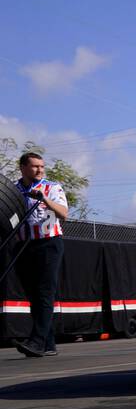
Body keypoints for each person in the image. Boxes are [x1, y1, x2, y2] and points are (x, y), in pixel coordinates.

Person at [12, 151, 67, 358]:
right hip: (23, 245)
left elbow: (63, 213)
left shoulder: (52, 187)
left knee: (45, 292)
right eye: (35, 166)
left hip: (48, 243)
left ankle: (36, 341)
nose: (39, 170)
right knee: (33, 295)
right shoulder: (14, 190)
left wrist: (44, 199)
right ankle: (48, 343)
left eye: (42, 166)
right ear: (23, 168)